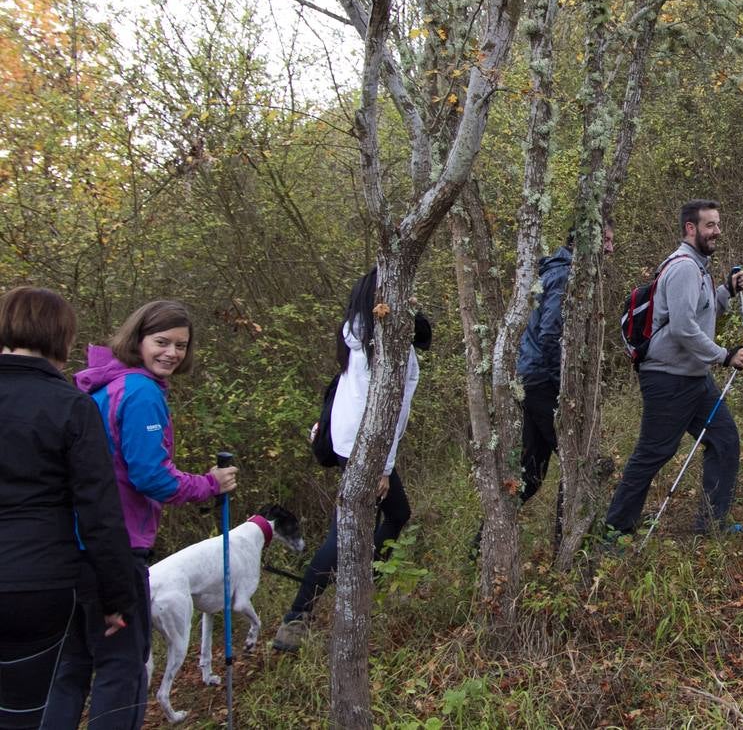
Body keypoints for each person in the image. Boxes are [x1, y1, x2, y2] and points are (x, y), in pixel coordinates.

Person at [46, 300, 238, 729]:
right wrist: (210, 484)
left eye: (181, 345)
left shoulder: (103, 386)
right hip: (117, 547)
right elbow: (153, 477)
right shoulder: (140, 391)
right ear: (137, 340)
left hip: (75, 546)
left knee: (73, 667)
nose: (172, 353)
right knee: (123, 668)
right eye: (162, 342)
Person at [0, 288, 138, 730]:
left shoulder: (74, 403)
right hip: (36, 586)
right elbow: (99, 510)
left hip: (33, 579)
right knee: (27, 712)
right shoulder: (70, 406)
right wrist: (116, 596)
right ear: (63, 337)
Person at [273, 267, 430, 652]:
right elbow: (379, 407)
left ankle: (361, 584)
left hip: (352, 442)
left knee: (394, 514)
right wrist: (382, 466)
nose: (410, 297)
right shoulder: (378, 342)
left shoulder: (360, 329)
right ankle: (297, 618)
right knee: (347, 532)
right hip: (365, 446)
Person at [604, 200, 743, 536]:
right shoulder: (684, 267)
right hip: (668, 379)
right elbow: (684, 329)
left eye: (718, 224)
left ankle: (711, 524)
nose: (717, 231)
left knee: (725, 440)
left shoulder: (697, 266)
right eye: (710, 225)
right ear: (690, 228)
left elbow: (700, 312)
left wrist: (726, 291)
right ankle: (615, 530)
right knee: (654, 453)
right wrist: (725, 355)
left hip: (693, 377)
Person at [515, 223, 615, 506]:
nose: (610, 248)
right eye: (605, 241)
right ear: (585, 242)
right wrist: (564, 385)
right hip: (542, 381)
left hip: (533, 378)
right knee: (577, 461)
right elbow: (550, 334)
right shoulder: (564, 275)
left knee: (531, 476)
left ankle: (482, 546)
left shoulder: (564, 271)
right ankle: (572, 542)